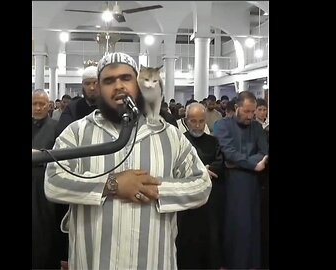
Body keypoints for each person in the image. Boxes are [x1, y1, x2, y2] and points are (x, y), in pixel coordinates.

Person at [45, 52, 212, 270]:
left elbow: (202, 184)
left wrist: (151, 188)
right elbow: (53, 182)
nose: (118, 86)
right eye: (108, 80)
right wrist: (111, 185)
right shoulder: (77, 133)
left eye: (126, 78)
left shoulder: (168, 135)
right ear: (98, 89)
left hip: (154, 261)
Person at [213, 91, 269, 270]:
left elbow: (264, 152)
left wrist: (241, 163)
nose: (251, 116)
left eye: (253, 112)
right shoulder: (221, 125)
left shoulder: (257, 128)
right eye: (247, 111)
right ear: (236, 108)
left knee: (253, 227)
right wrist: (253, 164)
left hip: (253, 184)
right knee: (236, 227)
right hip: (232, 185)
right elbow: (228, 153)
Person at [175, 103, 225, 270]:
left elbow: (219, 165)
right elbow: (177, 168)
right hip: (186, 202)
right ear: (186, 120)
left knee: (210, 237)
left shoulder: (213, 141)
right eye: (193, 121)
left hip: (209, 201)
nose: (197, 126)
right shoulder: (180, 141)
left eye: (201, 121)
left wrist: (199, 171)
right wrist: (204, 170)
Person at [32, 89, 67, 269]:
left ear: (49, 105)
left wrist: (41, 156)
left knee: (44, 232)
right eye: (34, 104)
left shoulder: (56, 127)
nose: (38, 108)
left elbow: (61, 157)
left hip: (45, 189)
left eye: (42, 104)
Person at [55, 66, 99, 136]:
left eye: (95, 83)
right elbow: (63, 134)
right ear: (82, 86)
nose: (92, 88)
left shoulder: (109, 106)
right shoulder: (73, 108)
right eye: (87, 84)